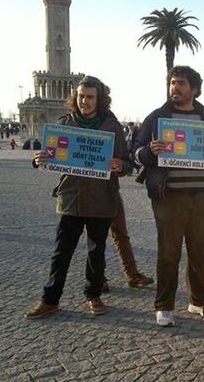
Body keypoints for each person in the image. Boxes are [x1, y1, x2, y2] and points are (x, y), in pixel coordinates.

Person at [132, 66, 204, 327]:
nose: (175, 87)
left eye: (181, 83)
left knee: (199, 251)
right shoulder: (157, 118)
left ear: (194, 89)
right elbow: (134, 151)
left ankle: (197, 300)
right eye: (172, 83)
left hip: (203, 196)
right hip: (169, 196)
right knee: (169, 252)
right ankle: (164, 305)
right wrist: (148, 151)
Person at [25, 75, 132, 319]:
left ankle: (93, 295)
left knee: (96, 251)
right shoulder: (65, 123)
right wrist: (37, 159)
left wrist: (120, 165)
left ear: (100, 100)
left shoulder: (111, 126)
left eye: (90, 97)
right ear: (76, 97)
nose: (85, 101)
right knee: (61, 251)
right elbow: (48, 154)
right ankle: (50, 300)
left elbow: (127, 162)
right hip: (71, 196)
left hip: (102, 198)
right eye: (81, 96)